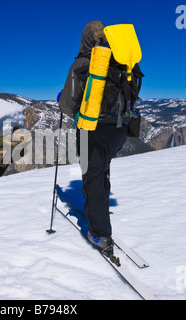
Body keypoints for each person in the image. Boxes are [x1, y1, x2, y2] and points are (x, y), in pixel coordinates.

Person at [61, 21, 129, 257]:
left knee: (92, 179)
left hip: (94, 129)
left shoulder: (83, 63)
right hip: (119, 128)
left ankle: (100, 234)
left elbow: (68, 104)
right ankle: (97, 211)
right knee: (102, 172)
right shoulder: (120, 61)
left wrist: (62, 96)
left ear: (85, 40)